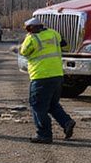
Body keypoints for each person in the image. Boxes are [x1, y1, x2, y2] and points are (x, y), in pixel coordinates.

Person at [18, 15, 75, 144]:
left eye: (28, 29)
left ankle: (44, 134)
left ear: (31, 28)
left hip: (40, 76)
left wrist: (27, 39)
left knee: (37, 106)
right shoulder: (53, 33)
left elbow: (24, 52)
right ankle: (66, 122)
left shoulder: (31, 38)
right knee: (52, 104)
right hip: (57, 76)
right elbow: (63, 44)